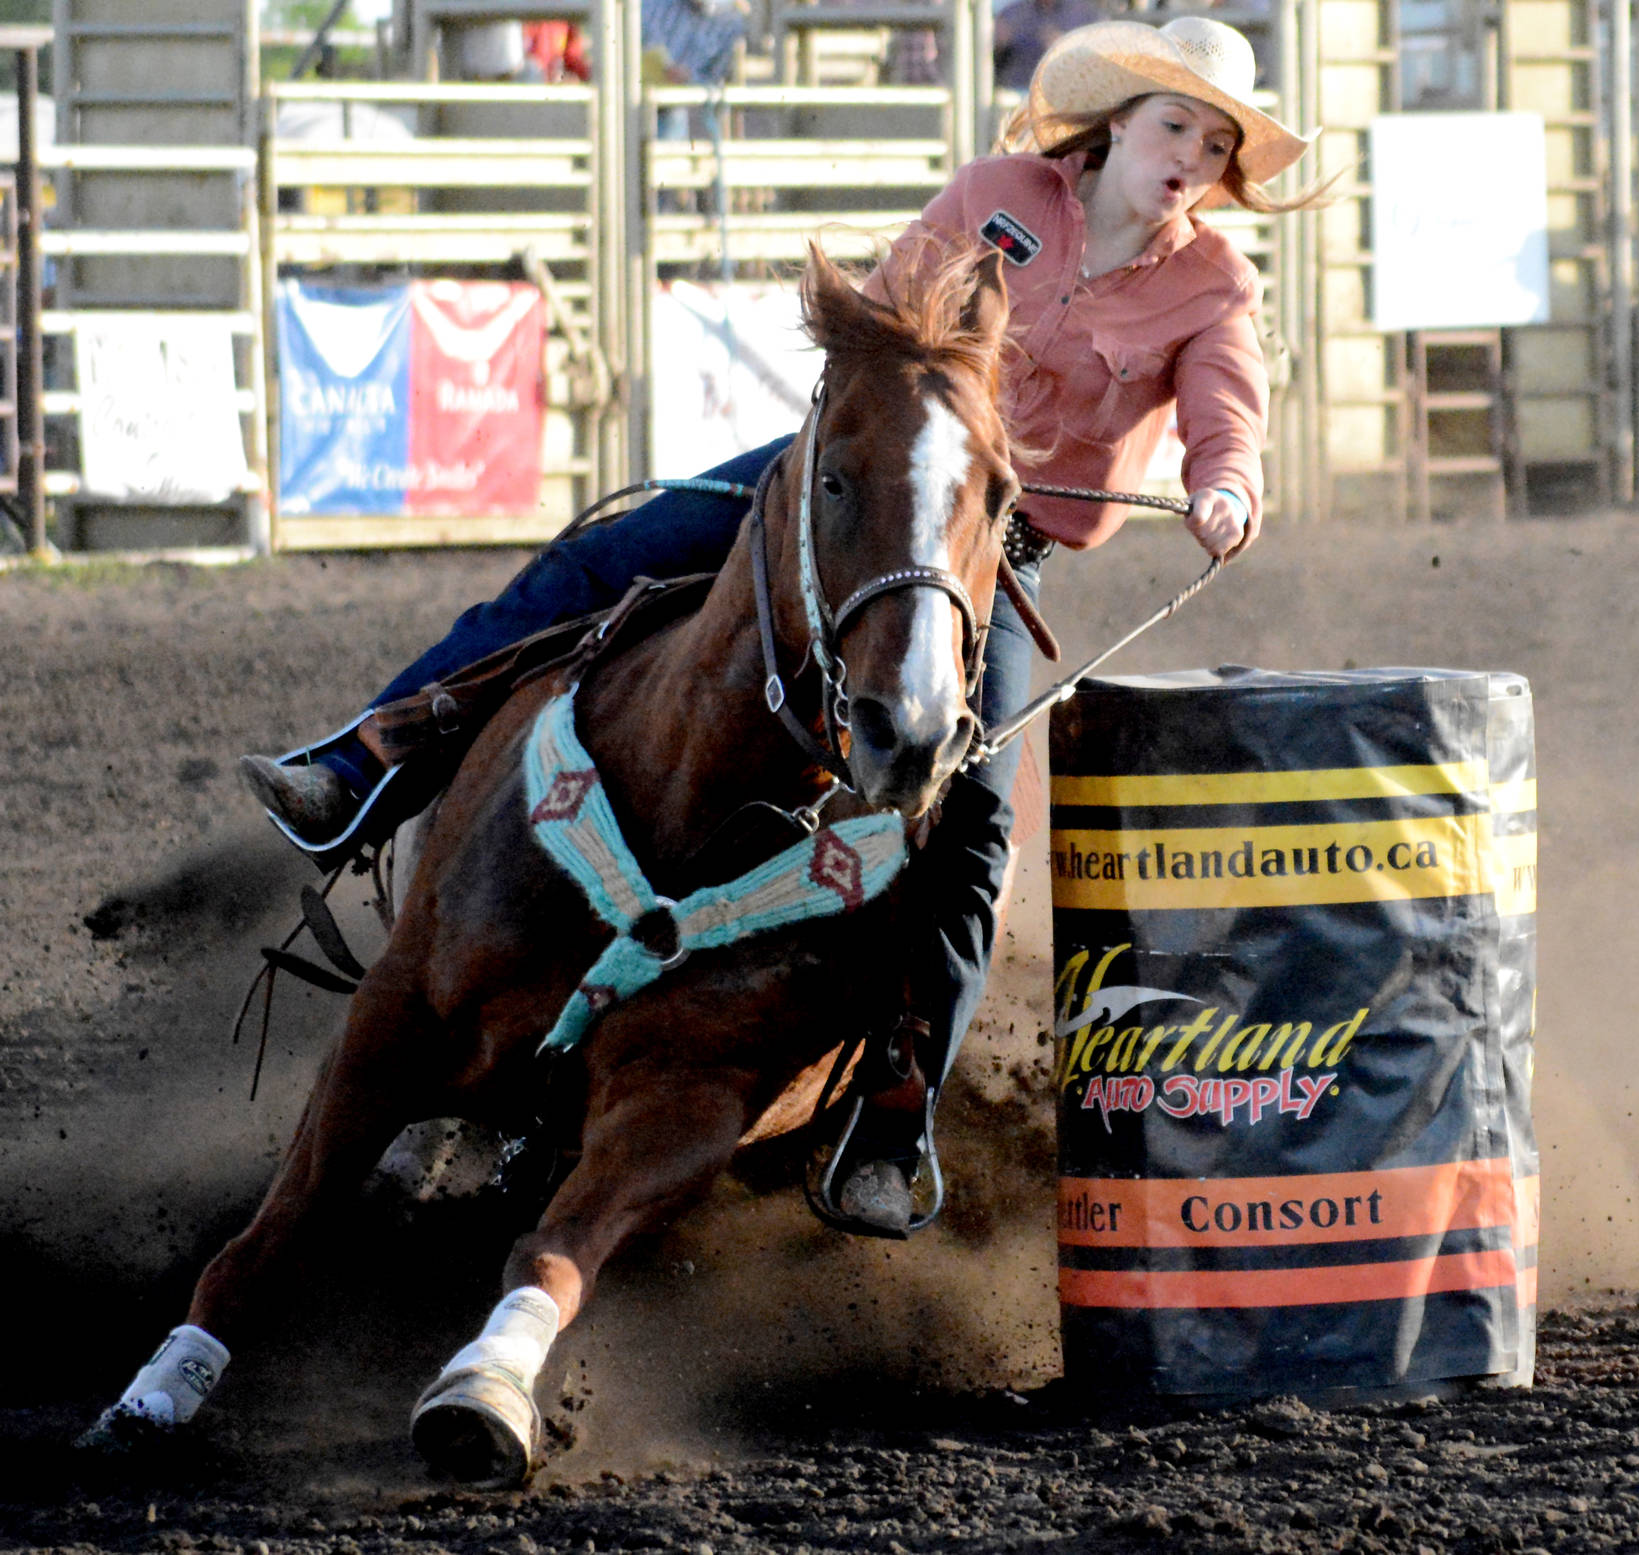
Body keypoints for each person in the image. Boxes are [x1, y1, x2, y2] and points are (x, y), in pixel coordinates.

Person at [241, 16, 1319, 1237]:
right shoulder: (995, 194)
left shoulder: (1212, 284)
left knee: (972, 818)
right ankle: (366, 762)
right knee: (599, 565)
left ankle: (892, 1109)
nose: (1189, 151)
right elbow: (876, 329)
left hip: (982, 552)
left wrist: (1226, 485)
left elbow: (1226, 407)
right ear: (1119, 120)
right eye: (1174, 121)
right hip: (847, 489)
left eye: (1215, 138)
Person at [993, 0, 1104, 92]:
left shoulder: (1084, 13)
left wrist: (1065, 45)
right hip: (1020, 96)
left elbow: (1100, 57)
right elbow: (990, 66)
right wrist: (998, 45)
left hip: (1070, 96)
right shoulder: (1012, 14)